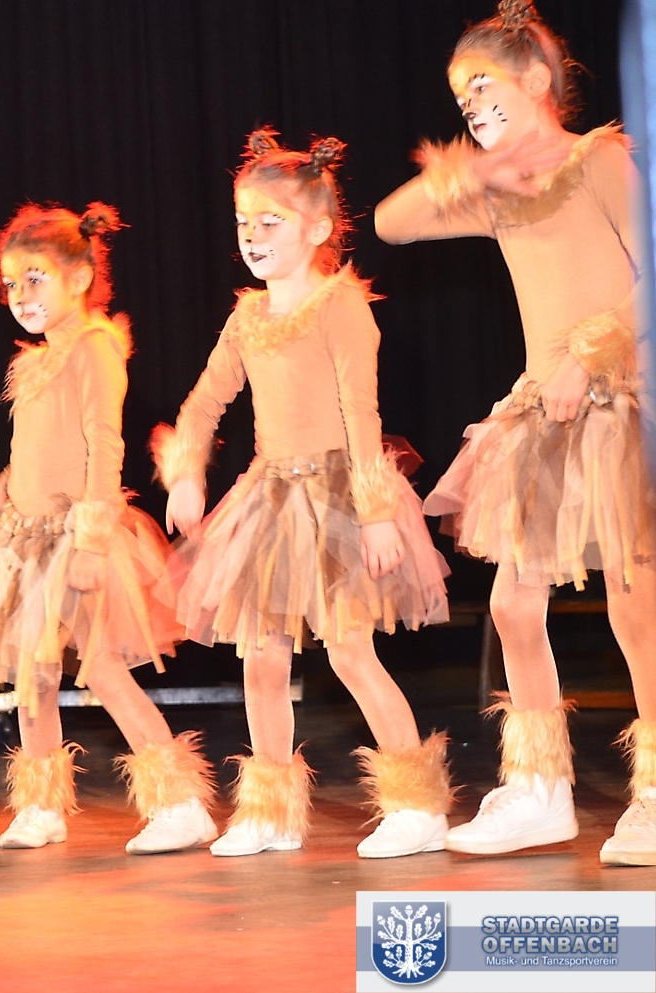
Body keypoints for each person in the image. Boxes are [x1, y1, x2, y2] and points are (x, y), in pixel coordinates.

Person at [376, 0, 656, 864]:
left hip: (622, 402)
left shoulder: (599, 159)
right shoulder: (501, 195)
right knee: (510, 603)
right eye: (459, 97)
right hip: (543, 414)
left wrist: (592, 353)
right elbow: (391, 222)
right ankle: (540, 787)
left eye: (483, 85)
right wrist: (472, 170)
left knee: (636, 600)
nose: (469, 105)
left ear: (536, 80)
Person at [154, 131, 453, 858]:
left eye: (270, 222)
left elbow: (362, 414)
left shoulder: (339, 305)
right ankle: (271, 812)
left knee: (350, 652)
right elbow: (203, 402)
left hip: (339, 498)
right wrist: (187, 470)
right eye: (243, 223)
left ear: (318, 229)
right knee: (261, 659)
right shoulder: (246, 317)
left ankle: (418, 806)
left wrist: (376, 513)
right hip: (269, 500)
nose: (252, 237)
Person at [0, 203, 213, 854]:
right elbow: (32, 452)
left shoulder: (94, 349)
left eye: (35, 278)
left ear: (79, 278)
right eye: (10, 282)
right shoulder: (37, 361)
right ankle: (42, 806)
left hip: (78, 533)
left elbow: (103, 446)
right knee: (34, 674)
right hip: (25, 537)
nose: (20, 295)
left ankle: (180, 802)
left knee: (102, 668)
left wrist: (91, 539)